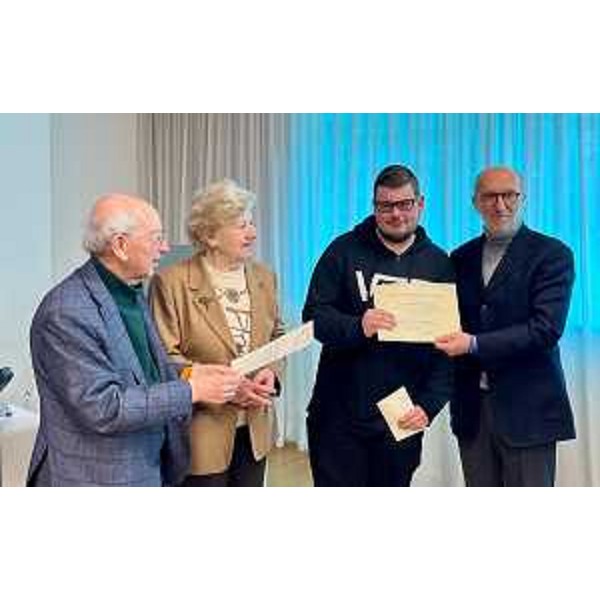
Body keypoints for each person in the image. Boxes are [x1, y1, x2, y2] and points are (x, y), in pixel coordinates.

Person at [27, 193, 241, 487]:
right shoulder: (65, 312)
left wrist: (190, 373)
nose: (165, 248)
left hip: (143, 466)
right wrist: (193, 390)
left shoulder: (130, 291)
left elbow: (138, 371)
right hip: (95, 476)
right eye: (157, 238)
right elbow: (104, 407)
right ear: (120, 245)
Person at [302, 164, 454, 486]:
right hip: (337, 415)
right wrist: (357, 325)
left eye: (405, 204)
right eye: (386, 206)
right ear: (374, 207)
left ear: (420, 204)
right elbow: (313, 318)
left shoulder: (439, 264)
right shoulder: (342, 251)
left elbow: (447, 347)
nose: (396, 214)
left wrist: (429, 405)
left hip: (400, 416)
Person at [435, 166, 576, 486]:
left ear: (523, 199)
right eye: (490, 196)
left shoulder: (552, 254)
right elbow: (446, 320)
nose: (500, 205)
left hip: (529, 411)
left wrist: (473, 344)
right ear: (475, 202)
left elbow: (546, 329)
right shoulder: (459, 258)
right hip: (472, 411)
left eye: (509, 195)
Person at [149, 179, 284, 487]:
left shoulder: (265, 276)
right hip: (201, 432)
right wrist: (224, 389)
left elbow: (277, 335)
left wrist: (271, 373)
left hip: (255, 427)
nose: (252, 233)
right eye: (241, 226)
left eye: (251, 223)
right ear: (210, 235)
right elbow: (163, 359)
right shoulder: (171, 282)